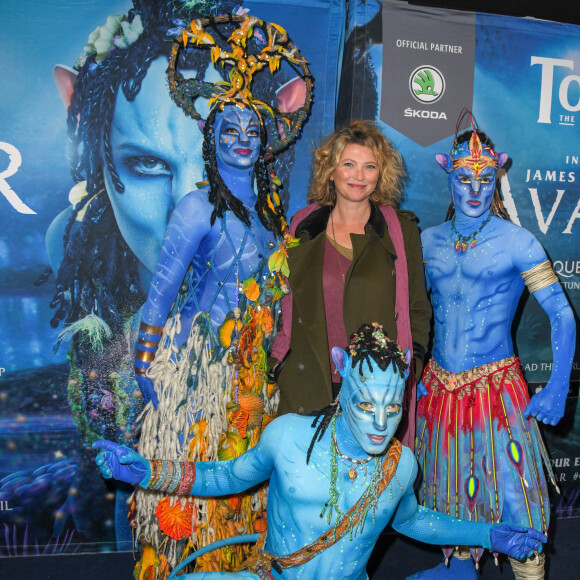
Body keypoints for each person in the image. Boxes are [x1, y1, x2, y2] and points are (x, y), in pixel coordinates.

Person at [94, 323, 546, 579]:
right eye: (366, 404)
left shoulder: (401, 464)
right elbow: (225, 477)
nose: (380, 423)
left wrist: (487, 534)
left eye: (392, 407)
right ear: (342, 379)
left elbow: (412, 521)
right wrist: (146, 473)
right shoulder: (288, 435)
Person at [126, 11, 312, 578]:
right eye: (229, 131)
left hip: (252, 374)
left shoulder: (272, 214)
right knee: (187, 496)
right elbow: (159, 297)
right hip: (195, 375)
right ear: (212, 139)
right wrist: (145, 368)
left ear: (266, 143)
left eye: (252, 133)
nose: (242, 142)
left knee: (240, 493)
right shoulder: (194, 207)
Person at [410, 116, 576, 580]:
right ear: (448, 175)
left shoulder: (518, 242)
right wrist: (412, 380)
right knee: (453, 500)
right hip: (438, 391)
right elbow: (414, 320)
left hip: (496, 392)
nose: (476, 189)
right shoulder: (426, 244)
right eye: (464, 178)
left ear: (498, 175)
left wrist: (557, 387)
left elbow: (562, 314)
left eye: (486, 179)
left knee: (516, 500)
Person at [269, 120, 431, 448]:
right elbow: (284, 302)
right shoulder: (302, 225)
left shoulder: (402, 232)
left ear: (380, 174)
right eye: (349, 164)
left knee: (367, 495)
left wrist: (407, 369)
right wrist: (278, 360)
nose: (358, 176)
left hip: (376, 394)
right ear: (331, 170)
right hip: (308, 385)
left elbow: (417, 308)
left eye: (369, 166)